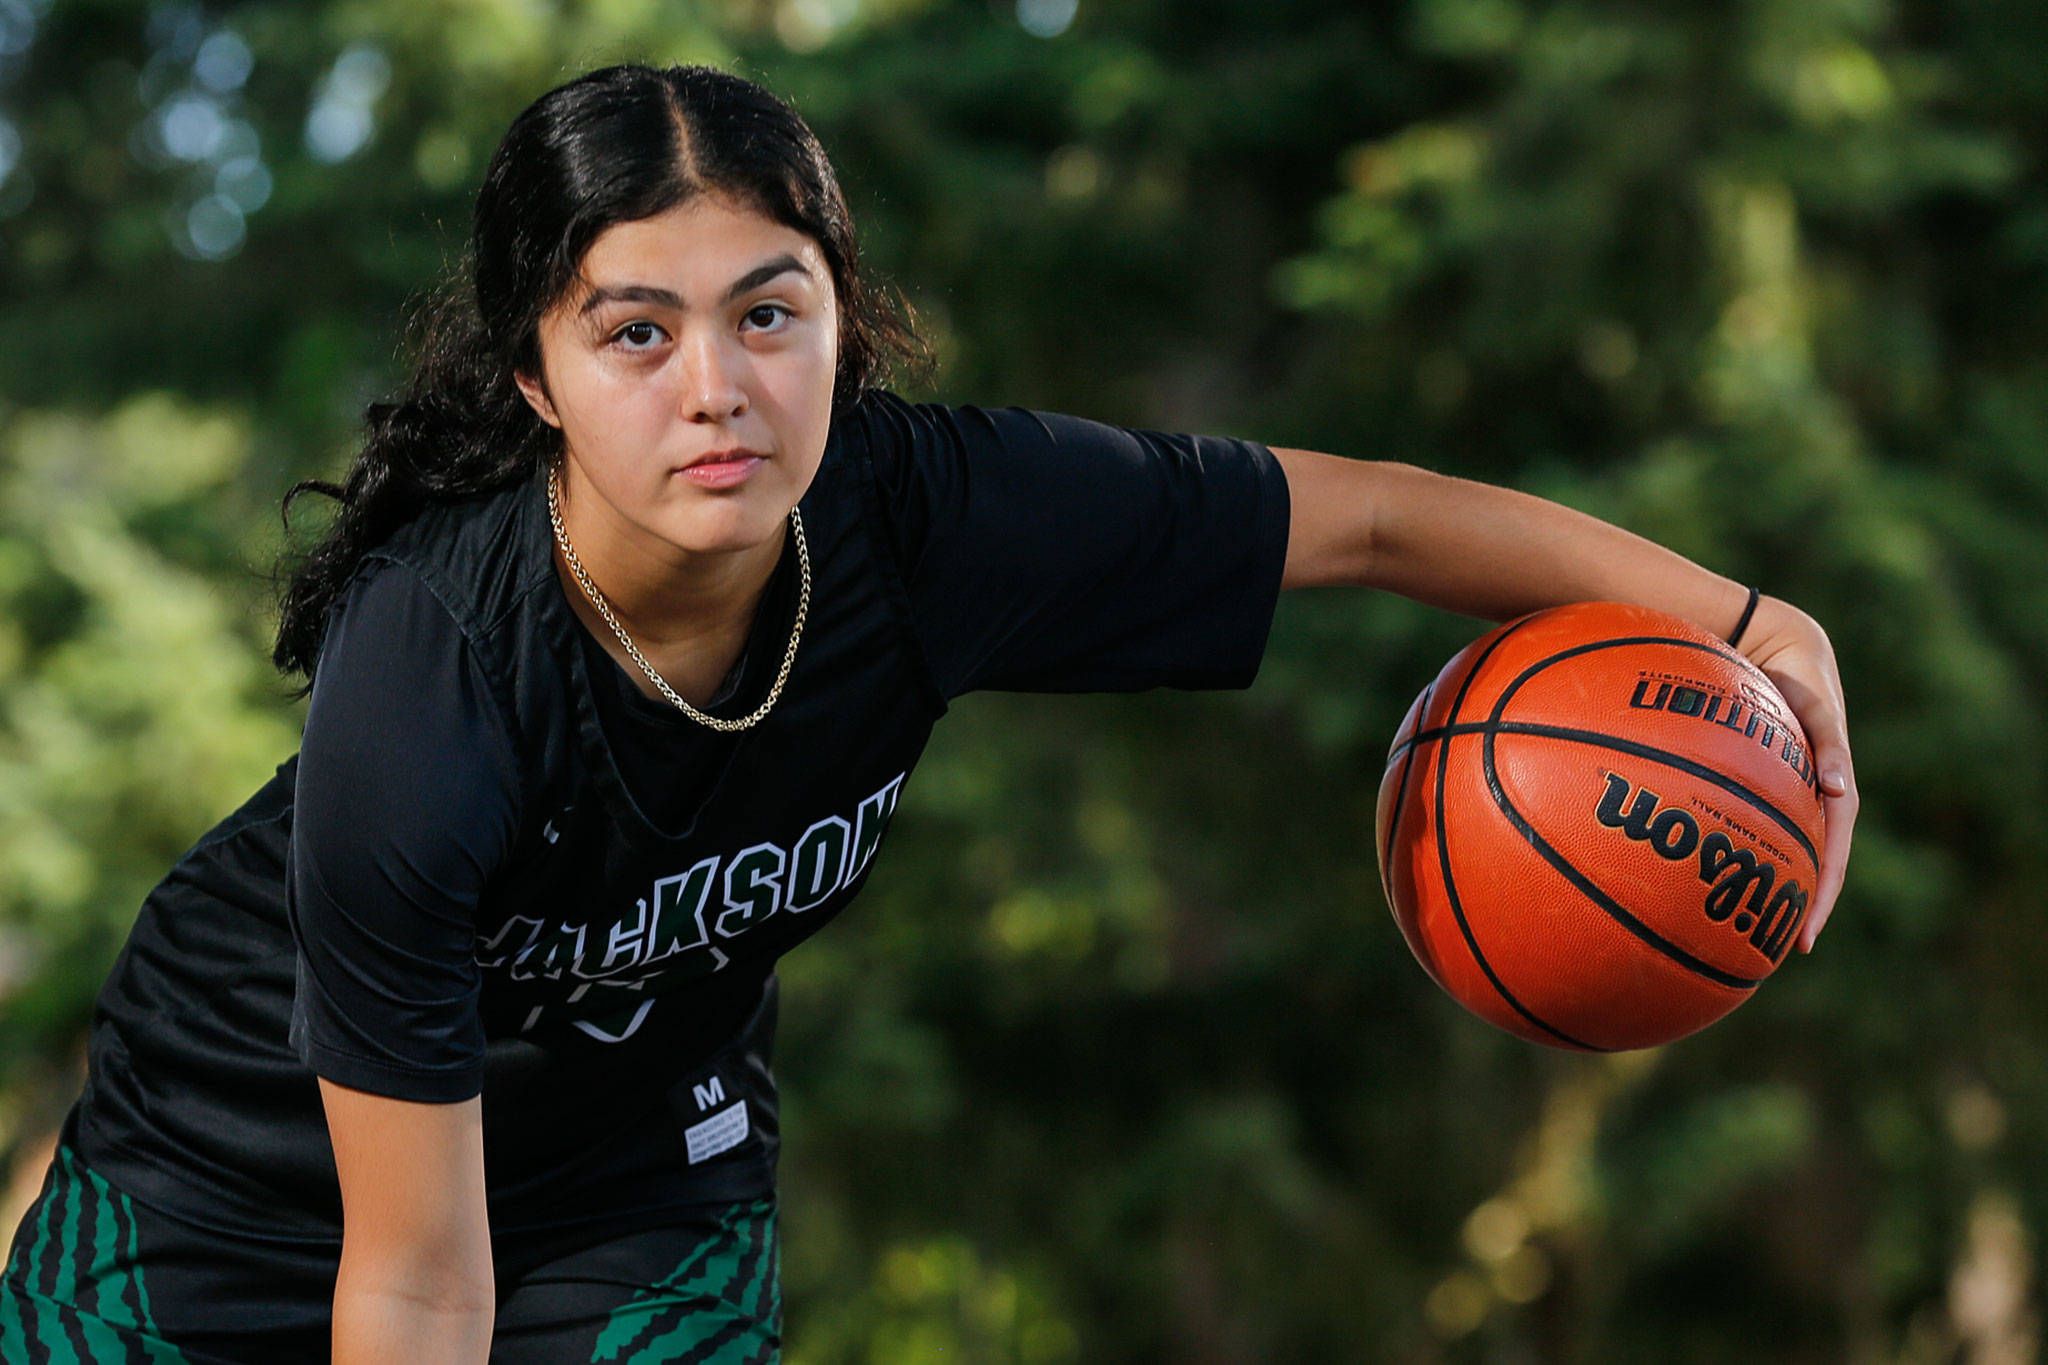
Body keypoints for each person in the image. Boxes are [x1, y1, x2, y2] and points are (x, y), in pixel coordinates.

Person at [0, 60, 1858, 1364]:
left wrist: (1753, 621)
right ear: (540, 377)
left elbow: (1368, 519)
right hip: (234, 1169)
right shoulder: (431, 679)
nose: (715, 387)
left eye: (770, 312)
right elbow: (414, 1293)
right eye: (635, 330)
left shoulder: (938, 518)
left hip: (637, 1176)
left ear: (845, 326)